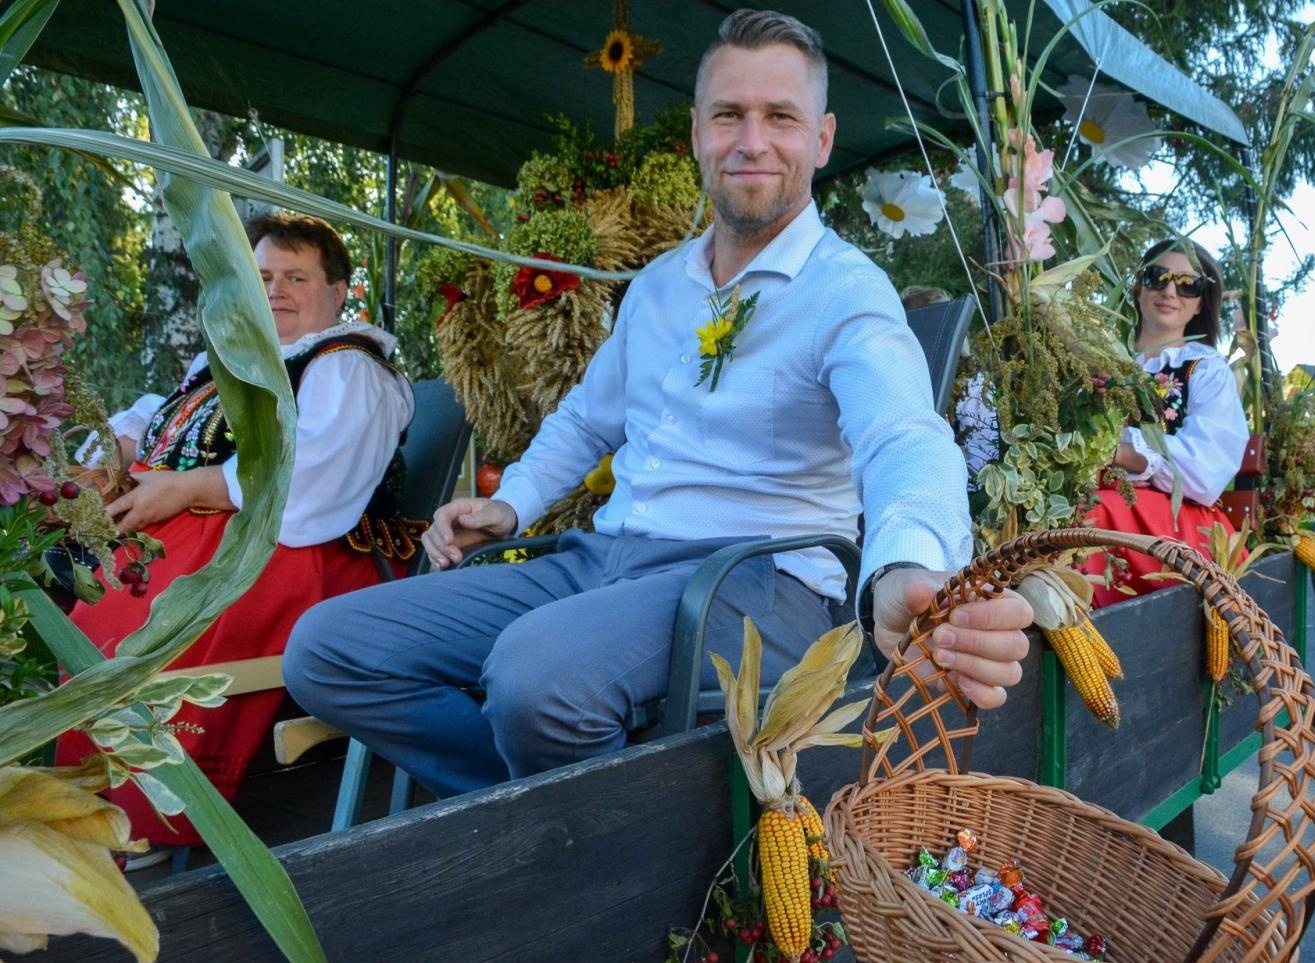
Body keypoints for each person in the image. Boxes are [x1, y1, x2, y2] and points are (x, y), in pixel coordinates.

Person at [283, 10, 1032, 800]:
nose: (752, 141)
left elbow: (903, 436)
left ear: (821, 139)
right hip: (607, 560)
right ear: (697, 136)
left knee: (536, 678)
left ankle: (559, 831)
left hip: (759, 579)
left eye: (780, 117)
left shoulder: (845, 291)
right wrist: (515, 505)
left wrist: (908, 565)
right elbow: (585, 418)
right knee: (329, 650)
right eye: (728, 116)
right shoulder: (657, 287)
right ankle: (530, 811)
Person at [55, 212, 415, 858]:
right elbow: (154, 416)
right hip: (213, 539)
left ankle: (146, 821)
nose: (275, 290)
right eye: (263, 276)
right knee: (101, 598)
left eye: (296, 277)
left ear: (337, 293)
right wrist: (121, 449)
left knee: (163, 616)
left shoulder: (347, 367)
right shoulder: (227, 360)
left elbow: (309, 485)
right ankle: (79, 799)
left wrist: (188, 489)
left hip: (303, 552)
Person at [1078, 240, 1249, 607]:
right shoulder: (1096, 357)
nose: (1170, 291)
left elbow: (1205, 471)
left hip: (1178, 516)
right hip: (1099, 498)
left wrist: (1126, 455)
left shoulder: (1204, 368)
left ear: (1201, 302)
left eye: (1188, 284)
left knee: (1090, 513)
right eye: (1158, 278)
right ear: (1138, 286)